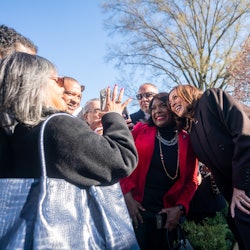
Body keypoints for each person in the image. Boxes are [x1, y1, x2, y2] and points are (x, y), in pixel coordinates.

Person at [0, 51, 137, 186]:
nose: (62, 88)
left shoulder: (19, 130)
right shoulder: (59, 125)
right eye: (58, 81)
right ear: (37, 84)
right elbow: (123, 161)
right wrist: (114, 116)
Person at [168, 84, 250, 250]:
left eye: (175, 97)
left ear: (189, 92)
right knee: (235, 220)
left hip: (246, 175)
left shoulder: (211, 98)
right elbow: (216, 170)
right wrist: (233, 196)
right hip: (236, 188)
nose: (172, 103)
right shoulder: (193, 132)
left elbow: (244, 134)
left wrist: (240, 187)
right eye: (169, 102)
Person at [120, 92, 199, 250]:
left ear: (172, 108)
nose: (157, 111)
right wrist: (127, 197)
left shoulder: (187, 140)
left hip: (166, 217)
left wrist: (180, 208)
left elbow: (192, 181)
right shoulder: (140, 131)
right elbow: (120, 164)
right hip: (136, 211)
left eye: (163, 105)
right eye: (153, 108)